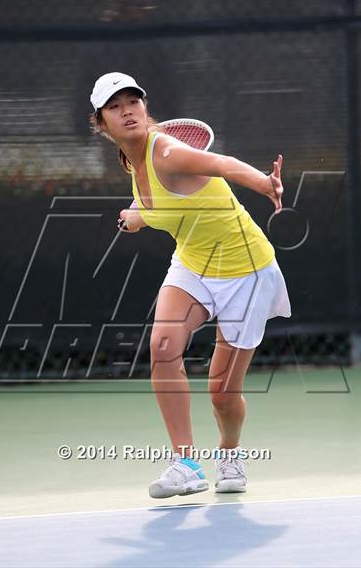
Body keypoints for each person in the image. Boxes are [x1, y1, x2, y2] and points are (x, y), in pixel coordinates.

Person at [90, 72, 291, 499]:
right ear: (101, 124)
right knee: (163, 347)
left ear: (145, 108)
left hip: (246, 270)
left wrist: (262, 182)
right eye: (115, 106)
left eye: (133, 101)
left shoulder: (166, 151)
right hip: (194, 262)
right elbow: (168, 205)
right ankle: (186, 463)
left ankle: (230, 452)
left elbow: (221, 164)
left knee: (221, 393)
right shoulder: (132, 160)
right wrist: (137, 216)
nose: (127, 110)